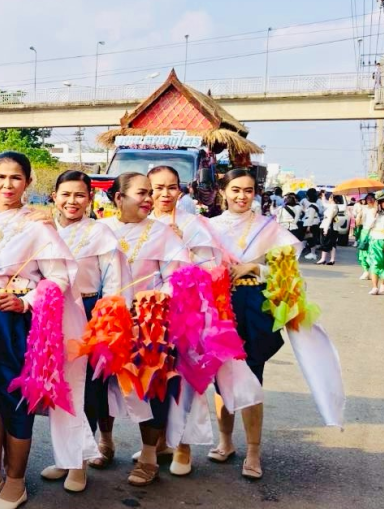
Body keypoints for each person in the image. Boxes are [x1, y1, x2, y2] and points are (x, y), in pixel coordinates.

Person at [0, 151, 89, 509]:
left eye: (15, 178)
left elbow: (61, 277)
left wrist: (28, 300)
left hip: (13, 318)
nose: (7, 185)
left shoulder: (38, 226)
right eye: (0, 177)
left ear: (28, 183)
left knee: (14, 396)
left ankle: (16, 482)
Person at [99, 172, 191, 487]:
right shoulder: (101, 230)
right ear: (118, 198)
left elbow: (176, 278)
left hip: (148, 324)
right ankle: (105, 442)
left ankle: (149, 454)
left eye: (151, 193)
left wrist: (150, 302)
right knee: (102, 384)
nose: (150, 199)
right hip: (106, 321)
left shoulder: (164, 234)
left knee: (150, 388)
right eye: (142, 192)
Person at [208, 168, 299, 479]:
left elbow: (287, 267)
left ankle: (254, 451)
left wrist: (254, 267)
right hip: (220, 305)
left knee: (253, 375)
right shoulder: (208, 227)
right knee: (221, 375)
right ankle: (225, 442)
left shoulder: (268, 228)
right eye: (235, 189)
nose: (242, 196)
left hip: (254, 305)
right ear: (223, 191)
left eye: (248, 190)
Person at [39, 170, 123, 491]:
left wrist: (106, 322)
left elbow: (113, 280)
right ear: (55, 197)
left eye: (79, 195)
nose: (72, 201)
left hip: (88, 313)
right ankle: (66, 456)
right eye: (65, 194)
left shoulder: (99, 233)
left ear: (90, 198)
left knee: (85, 390)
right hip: (51, 314)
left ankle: (79, 465)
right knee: (56, 388)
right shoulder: (45, 231)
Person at [147, 165, 226, 478]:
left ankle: (184, 445)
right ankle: (161, 442)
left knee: (185, 378)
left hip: (186, 312)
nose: (164, 194)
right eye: (157, 188)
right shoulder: (143, 223)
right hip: (151, 312)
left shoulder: (193, 224)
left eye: (171, 187)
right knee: (157, 377)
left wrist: (183, 250)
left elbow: (211, 266)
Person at [317, 194, 345, 265]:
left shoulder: (332, 207)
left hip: (328, 226)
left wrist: (325, 229)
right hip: (333, 227)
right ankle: (331, 259)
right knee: (332, 244)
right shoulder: (334, 206)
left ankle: (323, 259)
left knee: (325, 243)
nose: (328, 199)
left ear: (332, 199)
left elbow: (329, 218)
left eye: (329, 198)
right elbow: (325, 204)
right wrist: (323, 196)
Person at [355, 193, 377, 280]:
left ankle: (373, 271)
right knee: (362, 252)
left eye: (372, 198)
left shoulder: (377, 210)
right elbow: (358, 223)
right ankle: (366, 271)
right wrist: (358, 216)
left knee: (372, 253)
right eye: (368, 198)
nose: (369, 200)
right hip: (364, 231)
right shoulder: (363, 209)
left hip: (374, 232)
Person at [299, 188, 323, 259]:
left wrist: (308, 227)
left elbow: (311, 217)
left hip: (311, 224)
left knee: (311, 238)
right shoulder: (315, 205)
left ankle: (312, 253)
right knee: (310, 238)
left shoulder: (312, 206)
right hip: (313, 223)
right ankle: (310, 252)